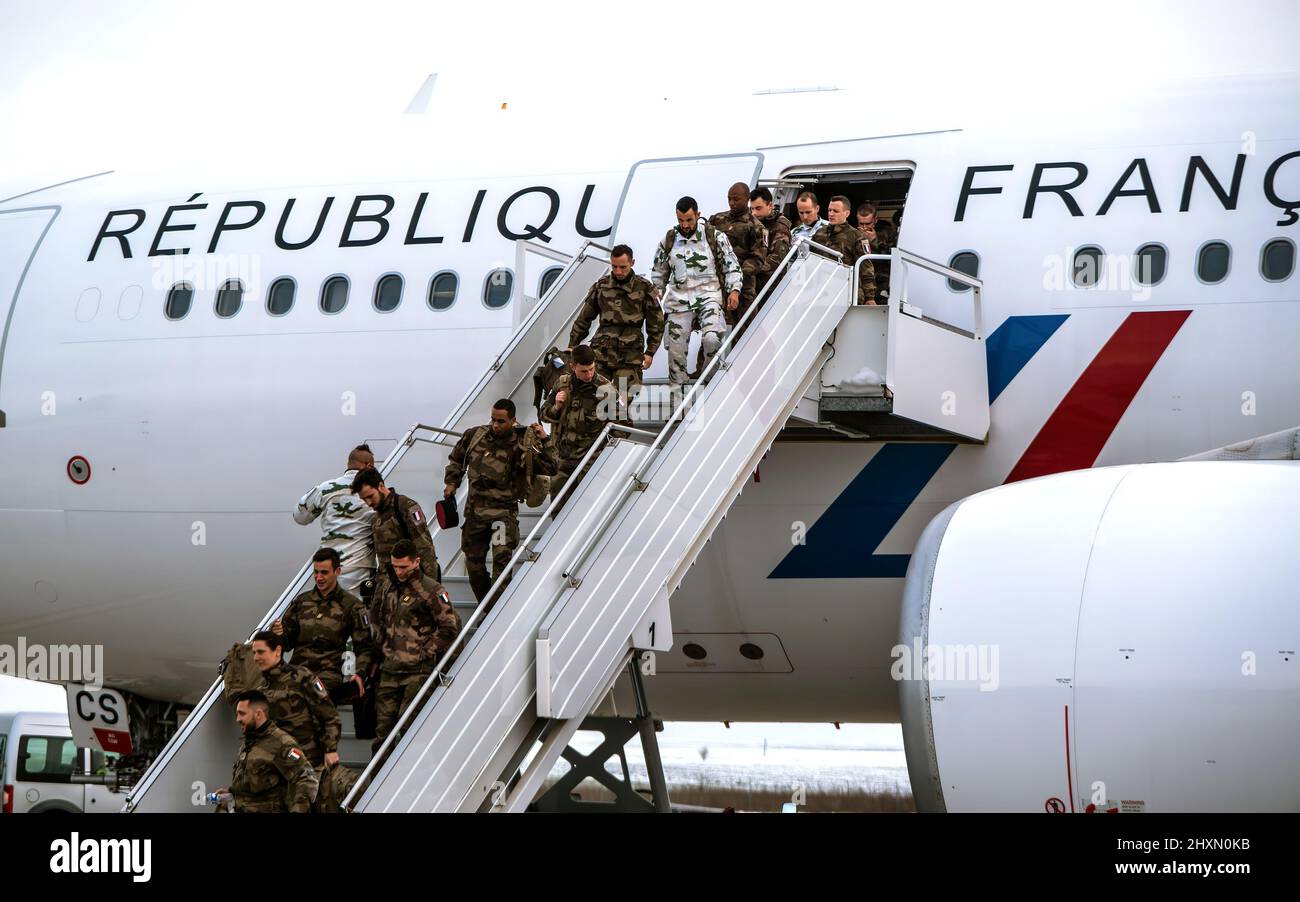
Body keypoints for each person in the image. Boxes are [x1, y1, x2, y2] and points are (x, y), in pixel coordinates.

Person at [443, 399, 558, 602]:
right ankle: (489, 608)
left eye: (501, 421)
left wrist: (545, 439)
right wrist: (452, 483)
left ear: (513, 420)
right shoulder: (475, 435)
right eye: (493, 419)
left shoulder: (523, 443)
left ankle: (497, 612)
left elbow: (551, 468)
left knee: (501, 563)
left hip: (501, 517)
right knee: (474, 565)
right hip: (475, 515)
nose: (496, 425)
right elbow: (456, 459)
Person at [371, 540, 462, 753]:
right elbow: (377, 617)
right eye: (395, 567)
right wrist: (381, 647)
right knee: (382, 736)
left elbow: (449, 629)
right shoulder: (388, 587)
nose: (399, 572)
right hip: (390, 672)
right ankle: (378, 783)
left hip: (417, 673)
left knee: (411, 728)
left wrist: (424, 652)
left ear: (416, 562)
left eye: (404, 567)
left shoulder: (432, 589)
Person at [651, 196, 741, 387]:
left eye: (689, 220)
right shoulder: (668, 240)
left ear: (697, 215)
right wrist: (656, 292)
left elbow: (731, 266)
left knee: (712, 338)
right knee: (675, 354)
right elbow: (659, 273)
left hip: (709, 297)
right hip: (679, 301)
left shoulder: (714, 237)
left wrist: (734, 290)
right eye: (680, 220)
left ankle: (710, 382)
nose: (684, 224)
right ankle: (678, 405)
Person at [568, 243, 664, 409]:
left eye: (623, 267)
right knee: (592, 400)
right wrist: (572, 346)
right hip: (601, 352)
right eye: (614, 267)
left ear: (632, 263)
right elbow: (584, 318)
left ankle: (616, 433)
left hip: (630, 356)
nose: (618, 272)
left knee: (620, 405)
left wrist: (650, 353)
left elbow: (656, 323)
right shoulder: (602, 286)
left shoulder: (645, 288)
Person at [272, 547, 373, 703]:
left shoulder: (352, 606)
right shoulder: (302, 601)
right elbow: (287, 643)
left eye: (324, 572)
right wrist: (278, 635)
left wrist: (359, 673)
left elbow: (365, 647)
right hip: (296, 671)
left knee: (305, 707)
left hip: (327, 676)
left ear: (337, 571)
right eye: (316, 572)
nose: (319, 577)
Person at [235, 630, 341, 771]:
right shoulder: (260, 690)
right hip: (276, 769)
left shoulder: (301, 677)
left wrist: (330, 749)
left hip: (307, 764)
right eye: (254, 653)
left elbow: (330, 716)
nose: (255, 657)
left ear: (277, 651)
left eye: (261, 652)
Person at [541, 344, 618, 508]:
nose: (589, 375)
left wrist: (605, 454)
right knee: (558, 508)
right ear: (572, 366)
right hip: (563, 458)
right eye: (584, 371)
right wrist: (556, 407)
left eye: (591, 369)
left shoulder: (606, 389)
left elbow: (622, 425)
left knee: (586, 508)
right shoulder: (561, 384)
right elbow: (543, 415)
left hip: (590, 459)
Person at [293, 444, 377, 596]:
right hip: (360, 569)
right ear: (369, 466)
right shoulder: (374, 493)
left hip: (327, 568)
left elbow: (300, 517)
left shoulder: (326, 488)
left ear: (348, 464)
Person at [217, 690, 319, 813]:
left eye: (242, 714)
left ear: (258, 714)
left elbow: (307, 779)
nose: (237, 719)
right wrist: (232, 793)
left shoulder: (281, 743)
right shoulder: (251, 741)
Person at [350, 467, 439, 603]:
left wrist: (431, 588)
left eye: (370, 496)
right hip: (387, 588)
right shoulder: (376, 519)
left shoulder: (405, 507)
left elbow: (425, 548)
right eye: (364, 499)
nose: (368, 503)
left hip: (411, 584)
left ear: (380, 486)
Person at [708, 181, 768, 327]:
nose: (732, 203)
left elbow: (757, 259)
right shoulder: (716, 220)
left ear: (747, 199)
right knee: (711, 332)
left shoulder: (756, 227)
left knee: (745, 333)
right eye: (729, 199)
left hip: (743, 289)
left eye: (736, 199)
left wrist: (735, 276)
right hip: (715, 287)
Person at [814, 195, 876, 305]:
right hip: (822, 292)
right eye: (829, 210)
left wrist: (869, 297)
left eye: (836, 211)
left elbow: (866, 268)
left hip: (847, 292)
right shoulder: (819, 234)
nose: (831, 214)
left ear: (846, 214)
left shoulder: (856, 237)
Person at [749, 187, 793, 297]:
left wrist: (749, 268)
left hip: (770, 288)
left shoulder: (780, 228)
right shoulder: (752, 225)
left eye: (758, 208)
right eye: (752, 209)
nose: (754, 213)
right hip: (752, 286)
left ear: (770, 206)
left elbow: (776, 259)